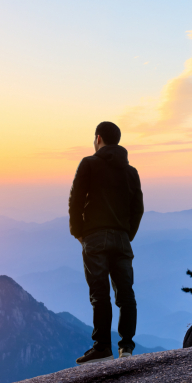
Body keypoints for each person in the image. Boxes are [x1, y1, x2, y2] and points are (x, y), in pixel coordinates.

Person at [69, 121, 144, 364]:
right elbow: (138, 208)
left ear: (98, 138)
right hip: (122, 239)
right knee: (126, 294)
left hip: (95, 237)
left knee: (99, 294)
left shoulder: (89, 164)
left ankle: (102, 347)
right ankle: (127, 348)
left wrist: (78, 233)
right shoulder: (131, 172)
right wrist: (127, 234)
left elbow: (75, 200)